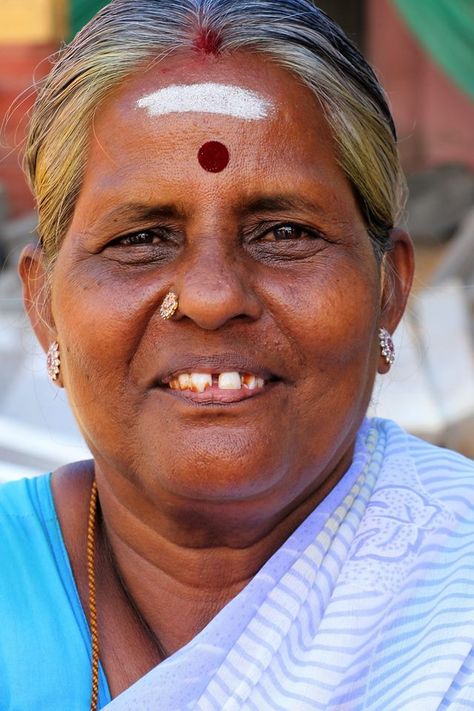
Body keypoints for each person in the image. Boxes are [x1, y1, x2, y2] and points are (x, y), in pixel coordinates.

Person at [1, 0, 473, 709]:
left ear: (388, 289)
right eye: (141, 239)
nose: (213, 295)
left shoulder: (454, 593)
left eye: (283, 230)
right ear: (44, 309)